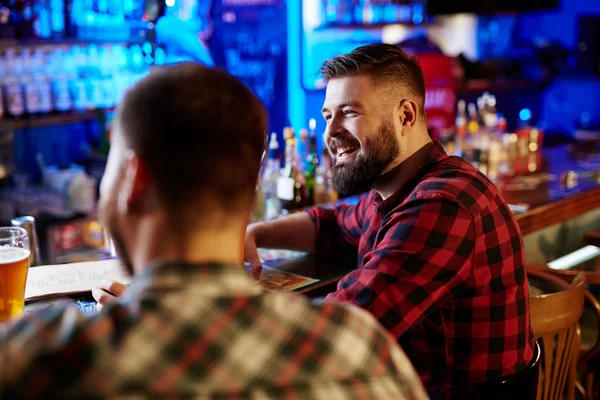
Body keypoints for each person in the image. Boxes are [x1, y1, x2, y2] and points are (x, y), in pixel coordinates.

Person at [0, 63, 427, 399]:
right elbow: (335, 221)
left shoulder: (40, 360)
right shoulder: (363, 352)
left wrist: (163, 315)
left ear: (134, 179)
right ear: (251, 186)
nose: (334, 131)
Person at [244, 44, 535, 399]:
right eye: (326, 116)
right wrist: (255, 233)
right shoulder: (400, 189)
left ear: (406, 116)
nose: (331, 133)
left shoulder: (441, 205)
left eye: (349, 113)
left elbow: (341, 328)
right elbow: (334, 223)